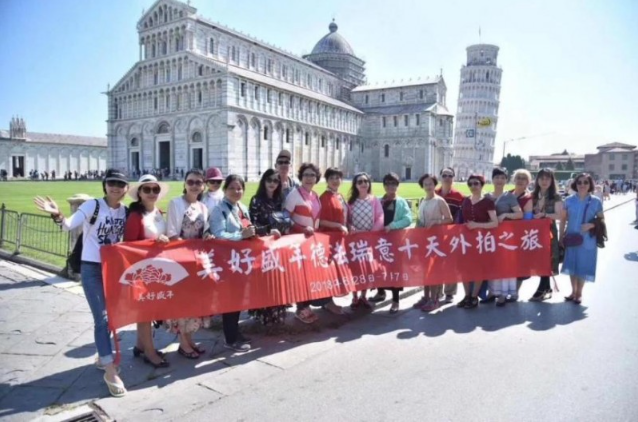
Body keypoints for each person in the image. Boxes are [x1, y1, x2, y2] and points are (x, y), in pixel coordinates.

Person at [34, 169, 130, 397]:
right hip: (91, 268)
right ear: (105, 185)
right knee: (101, 319)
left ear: (126, 188)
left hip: (112, 270)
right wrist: (57, 215)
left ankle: (102, 356)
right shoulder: (92, 206)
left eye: (120, 184)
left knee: (111, 316)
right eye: (112, 183)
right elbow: (68, 225)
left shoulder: (125, 211)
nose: (115, 187)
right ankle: (110, 370)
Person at [284, 162, 343, 323]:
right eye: (306, 175)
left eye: (312, 175)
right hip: (297, 240)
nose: (309, 178)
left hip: (312, 242)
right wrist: (301, 228)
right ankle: (301, 308)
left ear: (316, 178)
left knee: (311, 274)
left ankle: (319, 303)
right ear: (301, 177)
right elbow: (285, 217)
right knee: (300, 275)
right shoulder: (294, 194)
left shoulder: (315, 195)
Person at [123, 174, 170, 368]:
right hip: (142, 270)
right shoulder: (135, 216)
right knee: (145, 312)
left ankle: (140, 345)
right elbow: (128, 245)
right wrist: (153, 242)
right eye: (147, 189)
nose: (152, 193)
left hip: (157, 268)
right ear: (139, 193)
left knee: (149, 309)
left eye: (155, 189)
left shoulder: (158, 212)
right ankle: (150, 353)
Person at [165, 169, 210, 359]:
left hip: (197, 261)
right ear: (184, 184)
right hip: (180, 260)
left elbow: (204, 232)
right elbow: (172, 234)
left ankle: (190, 339)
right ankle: (183, 343)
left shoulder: (203, 207)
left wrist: (208, 237)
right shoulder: (175, 203)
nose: (194, 186)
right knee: (182, 303)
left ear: (203, 186)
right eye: (190, 182)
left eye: (198, 182)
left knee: (194, 302)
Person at [210, 174, 255, 351]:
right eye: (232, 188)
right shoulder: (219, 209)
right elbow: (219, 234)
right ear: (225, 189)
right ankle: (230, 339)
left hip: (242, 261)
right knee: (230, 300)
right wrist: (240, 235)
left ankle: (235, 332)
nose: (236, 191)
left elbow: (248, 227)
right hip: (227, 262)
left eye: (239, 188)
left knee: (239, 299)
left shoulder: (242, 207)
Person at [247, 169, 291, 326]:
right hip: (263, 246)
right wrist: (267, 230)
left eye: (276, 181)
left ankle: (277, 314)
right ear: (264, 181)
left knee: (278, 280)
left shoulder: (280, 200)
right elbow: (253, 223)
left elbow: (285, 219)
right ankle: (263, 316)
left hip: (278, 246)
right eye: (269, 180)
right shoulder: (256, 200)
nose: (272, 183)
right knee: (264, 281)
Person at [369, 173, 413, 314]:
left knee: (394, 270)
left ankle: (395, 301)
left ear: (397, 186)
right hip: (379, 241)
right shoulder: (379, 200)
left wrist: (392, 226)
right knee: (378, 268)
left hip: (394, 241)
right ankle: (381, 292)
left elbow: (408, 219)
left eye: (393, 184)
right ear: (384, 186)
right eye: (388, 184)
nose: (390, 187)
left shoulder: (401, 202)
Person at [560, 173, 604, 304]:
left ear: (590, 184)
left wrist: (591, 225)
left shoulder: (596, 201)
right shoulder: (568, 200)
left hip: (588, 239)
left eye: (585, 182)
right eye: (579, 182)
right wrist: (561, 236)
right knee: (572, 264)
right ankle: (573, 291)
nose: (582, 185)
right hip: (571, 237)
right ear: (575, 184)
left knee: (583, 266)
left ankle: (579, 293)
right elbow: (563, 219)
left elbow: (601, 219)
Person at [456, 174, 498, 309]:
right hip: (466, 239)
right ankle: (466, 295)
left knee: (478, 269)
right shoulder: (466, 200)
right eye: (470, 184)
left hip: (481, 240)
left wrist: (477, 225)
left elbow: (495, 222)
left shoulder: (488, 201)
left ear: (481, 185)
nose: (473, 186)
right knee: (464, 269)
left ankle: (474, 296)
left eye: (476, 183)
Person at [485, 167, 523, 306]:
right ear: (492, 179)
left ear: (506, 180)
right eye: (497, 177)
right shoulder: (486, 196)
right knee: (491, 263)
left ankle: (502, 294)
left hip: (506, 237)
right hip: (490, 235)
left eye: (502, 178)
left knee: (504, 264)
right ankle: (492, 292)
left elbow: (519, 214)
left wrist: (506, 215)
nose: (499, 180)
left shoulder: (510, 197)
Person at [415, 173, 453, 312]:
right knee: (425, 269)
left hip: (436, 240)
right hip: (424, 239)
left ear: (435, 185)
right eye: (425, 184)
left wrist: (436, 222)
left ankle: (434, 298)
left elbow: (449, 219)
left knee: (434, 270)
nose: (428, 186)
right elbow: (420, 220)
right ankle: (426, 297)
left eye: (430, 184)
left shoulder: (439, 201)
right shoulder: (422, 200)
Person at [347, 172, 384, 309]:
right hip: (355, 241)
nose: (363, 184)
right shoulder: (351, 202)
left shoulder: (374, 200)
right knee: (356, 269)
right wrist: (350, 227)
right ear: (355, 185)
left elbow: (380, 217)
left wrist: (372, 232)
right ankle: (355, 297)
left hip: (369, 240)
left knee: (367, 269)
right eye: (360, 182)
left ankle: (363, 296)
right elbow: (347, 219)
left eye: (365, 181)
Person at [529, 168, 564, 302]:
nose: (544, 181)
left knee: (547, 258)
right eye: (542, 178)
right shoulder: (532, 196)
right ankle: (547, 287)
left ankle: (541, 289)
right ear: (537, 180)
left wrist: (544, 215)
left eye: (547, 179)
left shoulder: (556, 196)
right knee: (539, 259)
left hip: (549, 232)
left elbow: (559, 215)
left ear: (551, 181)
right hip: (535, 232)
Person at [435, 167, 465, 304]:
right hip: (436, 234)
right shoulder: (434, 193)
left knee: (451, 264)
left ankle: (449, 292)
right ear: (440, 177)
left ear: (453, 178)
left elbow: (461, 216)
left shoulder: (459, 196)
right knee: (436, 263)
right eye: (444, 175)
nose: (447, 178)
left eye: (450, 175)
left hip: (452, 234)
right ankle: (437, 291)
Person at [318, 167, 348, 234]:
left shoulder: (340, 195)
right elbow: (321, 221)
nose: (334, 181)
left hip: (341, 233)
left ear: (341, 180)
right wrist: (339, 226)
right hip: (330, 235)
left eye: (337, 178)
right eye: (331, 178)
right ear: (327, 181)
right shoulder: (324, 198)